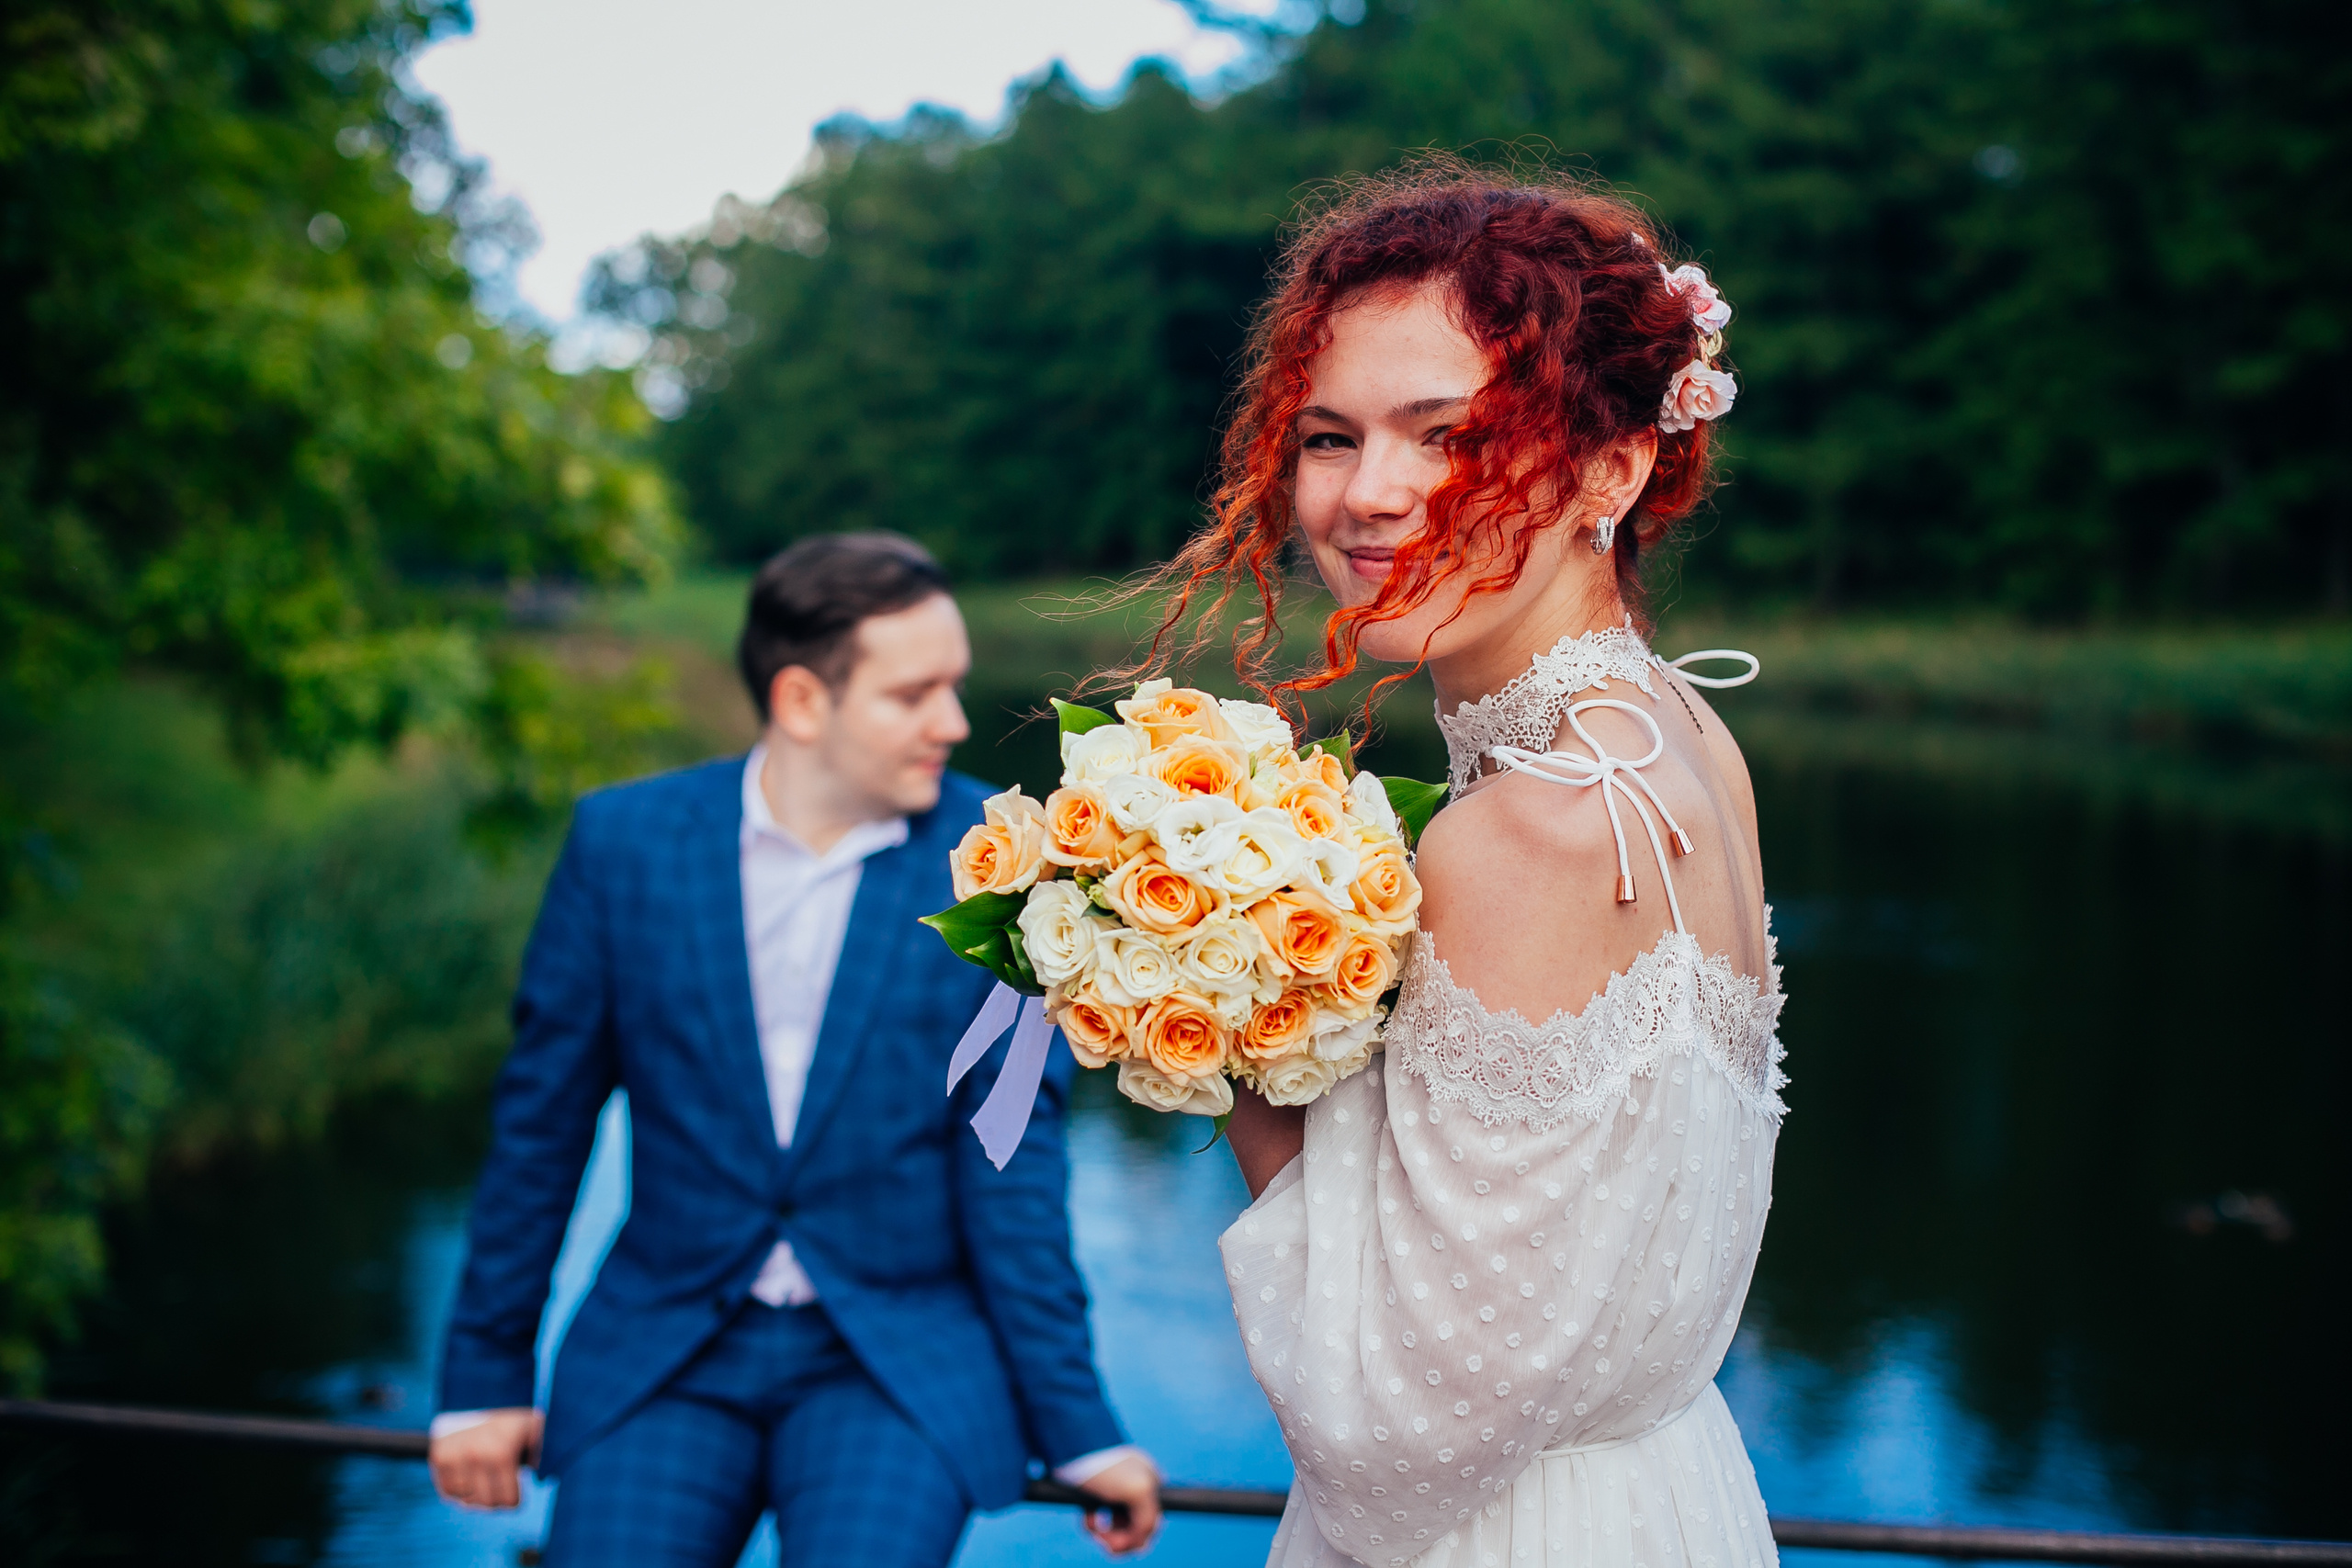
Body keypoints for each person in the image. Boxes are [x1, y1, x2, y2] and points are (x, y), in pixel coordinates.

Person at [1164, 164, 1787, 1567]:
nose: (1372, 495)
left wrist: (1200, 1019)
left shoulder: (1530, 822)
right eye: (1329, 436)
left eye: (1449, 433)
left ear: (1612, 467)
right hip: (1658, 1498)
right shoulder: (1683, 729)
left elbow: (1390, 1416)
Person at [427, 532, 1162, 1565]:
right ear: (803, 702)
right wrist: (484, 1383)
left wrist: (1080, 1426)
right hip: (667, 1350)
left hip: (892, 1363)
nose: (954, 722)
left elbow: (1010, 1168)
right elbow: (539, 1136)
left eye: (952, 686)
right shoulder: (621, 847)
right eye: (914, 695)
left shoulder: (1006, 878)